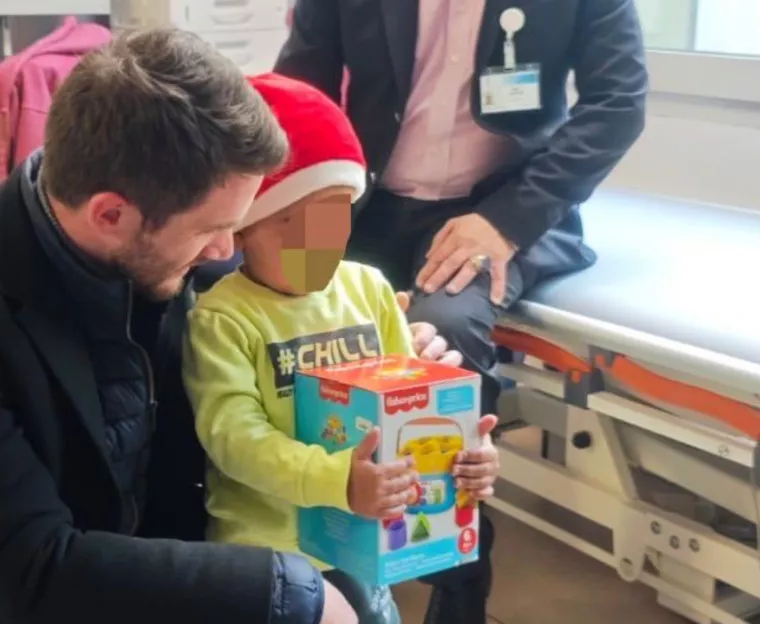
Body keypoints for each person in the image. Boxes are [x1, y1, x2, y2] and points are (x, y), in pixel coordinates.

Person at [0, 28, 479, 624]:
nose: (228, 252)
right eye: (213, 230)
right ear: (111, 215)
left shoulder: (180, 257)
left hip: (138, 555)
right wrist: (285, 590)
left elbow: (266, 386)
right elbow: (34, 572)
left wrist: (388, 380)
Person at [273, 0, 649, 621]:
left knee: (442, 332)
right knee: (290, 315)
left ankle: (460, 583)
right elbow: (299, 88)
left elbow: (618, 104)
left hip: (499, 206)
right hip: (367, 199)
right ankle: (307, 558)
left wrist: (508, 222)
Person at [183, 73, 502, 624]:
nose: (318, 242)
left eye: (333, 217)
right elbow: (233, 437)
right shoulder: (222, 316)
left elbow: (412, 406)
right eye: (291, 223)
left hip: (361, 537)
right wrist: (338, 481)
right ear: (242, 227)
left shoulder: (369, 288)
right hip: (266, 545)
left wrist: (465, 458)